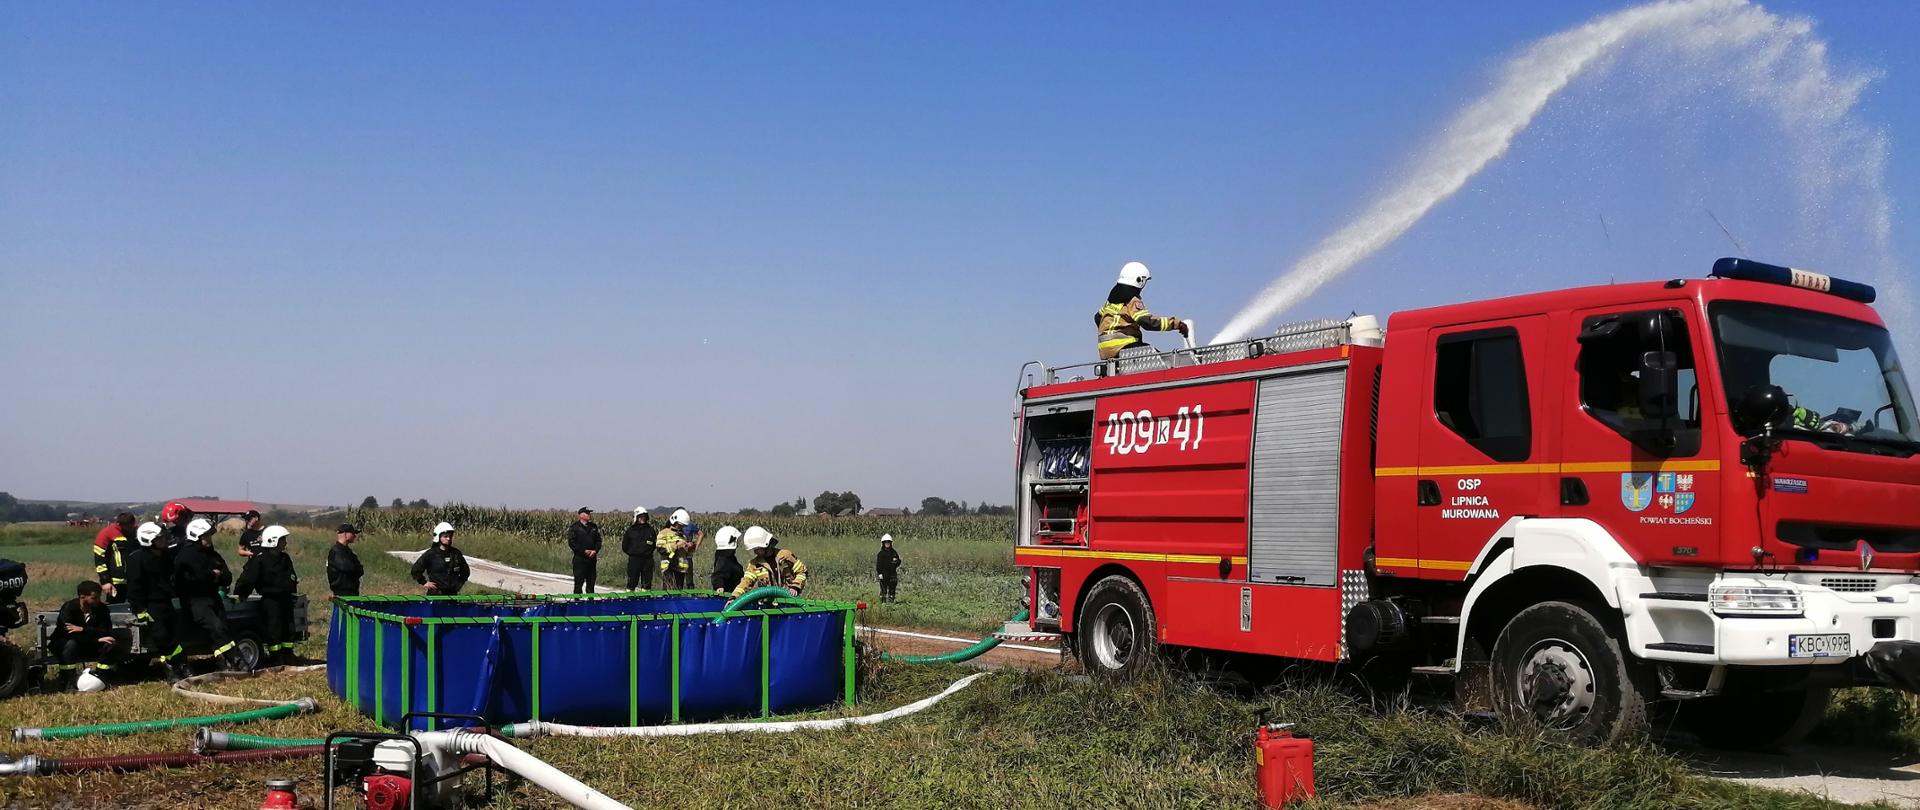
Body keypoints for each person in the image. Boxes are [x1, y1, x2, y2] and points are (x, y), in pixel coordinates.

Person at [174, 517, 247, 671]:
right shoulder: (186, 556)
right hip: (195, 600)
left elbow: (227, 577)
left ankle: (223, 663)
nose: (209, 539)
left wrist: (216, 575)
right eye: (206, 535)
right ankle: (235, 660)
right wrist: (212, 575)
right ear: (196, 537)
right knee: (216, 628)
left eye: (209, 535)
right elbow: (198, 577)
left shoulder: (211, 554)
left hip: (212, 597)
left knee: (223, 629)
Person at [124, 521, 188, 681]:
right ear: (149, 540)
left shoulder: (164, 557)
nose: (164, 540)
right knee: (163, 638)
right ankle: (171, 669)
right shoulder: (138, 559)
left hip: (165, 602)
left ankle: (180, 664)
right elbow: (134, 587)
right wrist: (140, 610)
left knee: (174, 637)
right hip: (150, 606)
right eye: (159, 538)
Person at [234, 525, 300, 666]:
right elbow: (248, 579)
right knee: (274, 629)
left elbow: (292, 576)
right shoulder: (260, 560)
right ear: (273, 541)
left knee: (289, 627)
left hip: (286, 599)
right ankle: (276, 656)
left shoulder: (285, 558)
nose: (285, 543)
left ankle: (288, 654)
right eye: (283, 540)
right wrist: (240, 594)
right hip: (271, 601)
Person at [1095, 261, 1187, 360]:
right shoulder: (1132, 300)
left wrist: (1108, 334)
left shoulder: (1110, 301)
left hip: (1105, 351)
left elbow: (1097, 317)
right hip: (1125, 347)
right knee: (1162, 360)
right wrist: (1176, 324)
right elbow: (1148, 322)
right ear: (1140, 281)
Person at [52, 581, 119, 687]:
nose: (98, 600)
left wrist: (83, 629)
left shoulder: (102, 609)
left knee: (110, 643)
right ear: (82, 597)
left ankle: (101, 679)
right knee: (70, 645)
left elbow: (105, 630)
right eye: (94, 598)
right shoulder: (69, 608)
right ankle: (68, 683)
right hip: (67, 643)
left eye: (99, 597)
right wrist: (95, 639)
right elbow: (68, 633)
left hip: (89, 643)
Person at [732, 526, 807, 598]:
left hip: (789, 600)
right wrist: (734, 597)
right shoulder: (755, 564)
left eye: (757, 549)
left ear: (765, 545)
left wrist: (795, 587)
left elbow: (802, 572)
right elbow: (746, 582)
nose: (755, 552)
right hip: (768, 604)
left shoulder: (785, 556)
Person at [411, 522, 471, 595]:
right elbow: (415, 570)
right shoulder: (430, 554)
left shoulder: (456, 554)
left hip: (452, 595)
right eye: (445, 536)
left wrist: (460, 583)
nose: (448, 539)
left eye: (450, 536)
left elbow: (465, 571)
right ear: (438, 537)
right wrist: (424, 582)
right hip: (435, 595)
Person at [92, 512, 136, 604]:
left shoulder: (136, 531)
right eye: (127, 526)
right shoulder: (106, 533)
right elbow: (99, 559)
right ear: (119, 524)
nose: (130, 528)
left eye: (131, 525)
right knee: (116, 609)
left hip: (134, 580)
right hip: (115, 582)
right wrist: (105, 581)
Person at [655, 509, 701, 590]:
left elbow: (687, 553)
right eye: (680, 525)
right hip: (668, 567)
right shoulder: (664, 533)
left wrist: (690, 546)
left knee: (679, 590)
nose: (681, 527)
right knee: (668, 590)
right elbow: (660, 548)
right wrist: (676, 545)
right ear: (674, 522)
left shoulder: (683, 535)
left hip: (680, 568)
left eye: (683, 526)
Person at [566, 507, 602, 594]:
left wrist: (595, 550)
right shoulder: (574, 527)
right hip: (580, 560)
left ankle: (590, 603)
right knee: (578, 583)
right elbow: (572, 543)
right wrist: (583, 551)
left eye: (589, 513)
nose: (589, 515)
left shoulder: (593, 527)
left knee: (591, 583)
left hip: (592, 560)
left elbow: (598, 540)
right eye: (587, 513)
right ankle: (578, 603)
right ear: (581, 515)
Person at [622, 507, 655, 591]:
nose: (642, 518)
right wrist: (633, 553)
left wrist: (647, 552)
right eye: (640, 516)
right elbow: (625, 546)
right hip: (634, 559)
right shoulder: (630, 530)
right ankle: (630, 599)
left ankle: (646, 600)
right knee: (632, 581)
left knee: (647, 582)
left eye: (644, 516)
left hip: (647, 560)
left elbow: (654, 544)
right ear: (636, 517)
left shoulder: (650, 530)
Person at [327, 523, 364, 597]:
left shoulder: (347, 551)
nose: (354, 536)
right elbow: (348, 568)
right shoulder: (336, 551)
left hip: (352, 592)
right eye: (352, 533)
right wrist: (356, 568)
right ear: (345, 534)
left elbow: (359, 569)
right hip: (343, 593)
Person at [710, 525, 744, 595]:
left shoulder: (726, 556)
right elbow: (719, 573)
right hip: (729, 598)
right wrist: (719, 586)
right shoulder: (724, 558)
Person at [876, 534, 902, 603]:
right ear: (883, 543)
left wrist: (896, 562)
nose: (887, 544)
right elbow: (878, 565)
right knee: (883, 590)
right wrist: (880, 573)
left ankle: (891, 603)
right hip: (884, 574)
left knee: (892, 590)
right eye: (886, 542)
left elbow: (898, 561)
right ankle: (883, 603)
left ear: (891, 543)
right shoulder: (881, 554)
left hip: (892, 574)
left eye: (888, 542)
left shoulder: (894, 552)